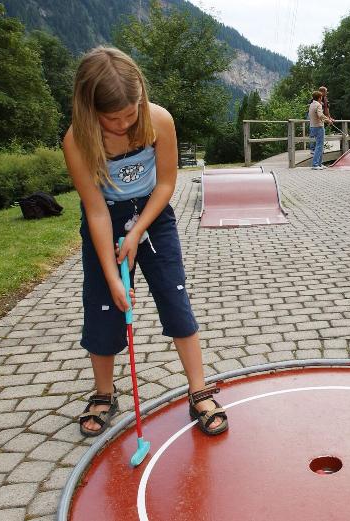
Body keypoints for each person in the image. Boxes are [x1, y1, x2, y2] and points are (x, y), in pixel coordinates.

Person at [63, 47, 228, 437]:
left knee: (174, 295)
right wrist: (114, 276)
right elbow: (96, 211)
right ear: (90, 111)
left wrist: (138, 231)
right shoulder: (76, 141)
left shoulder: (158, 120)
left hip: (153, 213)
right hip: (105, 215)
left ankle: (198, 389)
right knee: (104, 304)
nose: (123, 124)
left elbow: (167, 183)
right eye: (112, 118)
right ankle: (104, 393)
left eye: (130, 113)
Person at [308, 90, 329, 169]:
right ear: (320, 98)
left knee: (319, 145)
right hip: (319, 127)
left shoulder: (311, 104)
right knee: (319, 146)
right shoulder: (318, 105)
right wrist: (328, 120)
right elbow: (320, 115)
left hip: (312, 126)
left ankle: (319, 164)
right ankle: (315, 164)